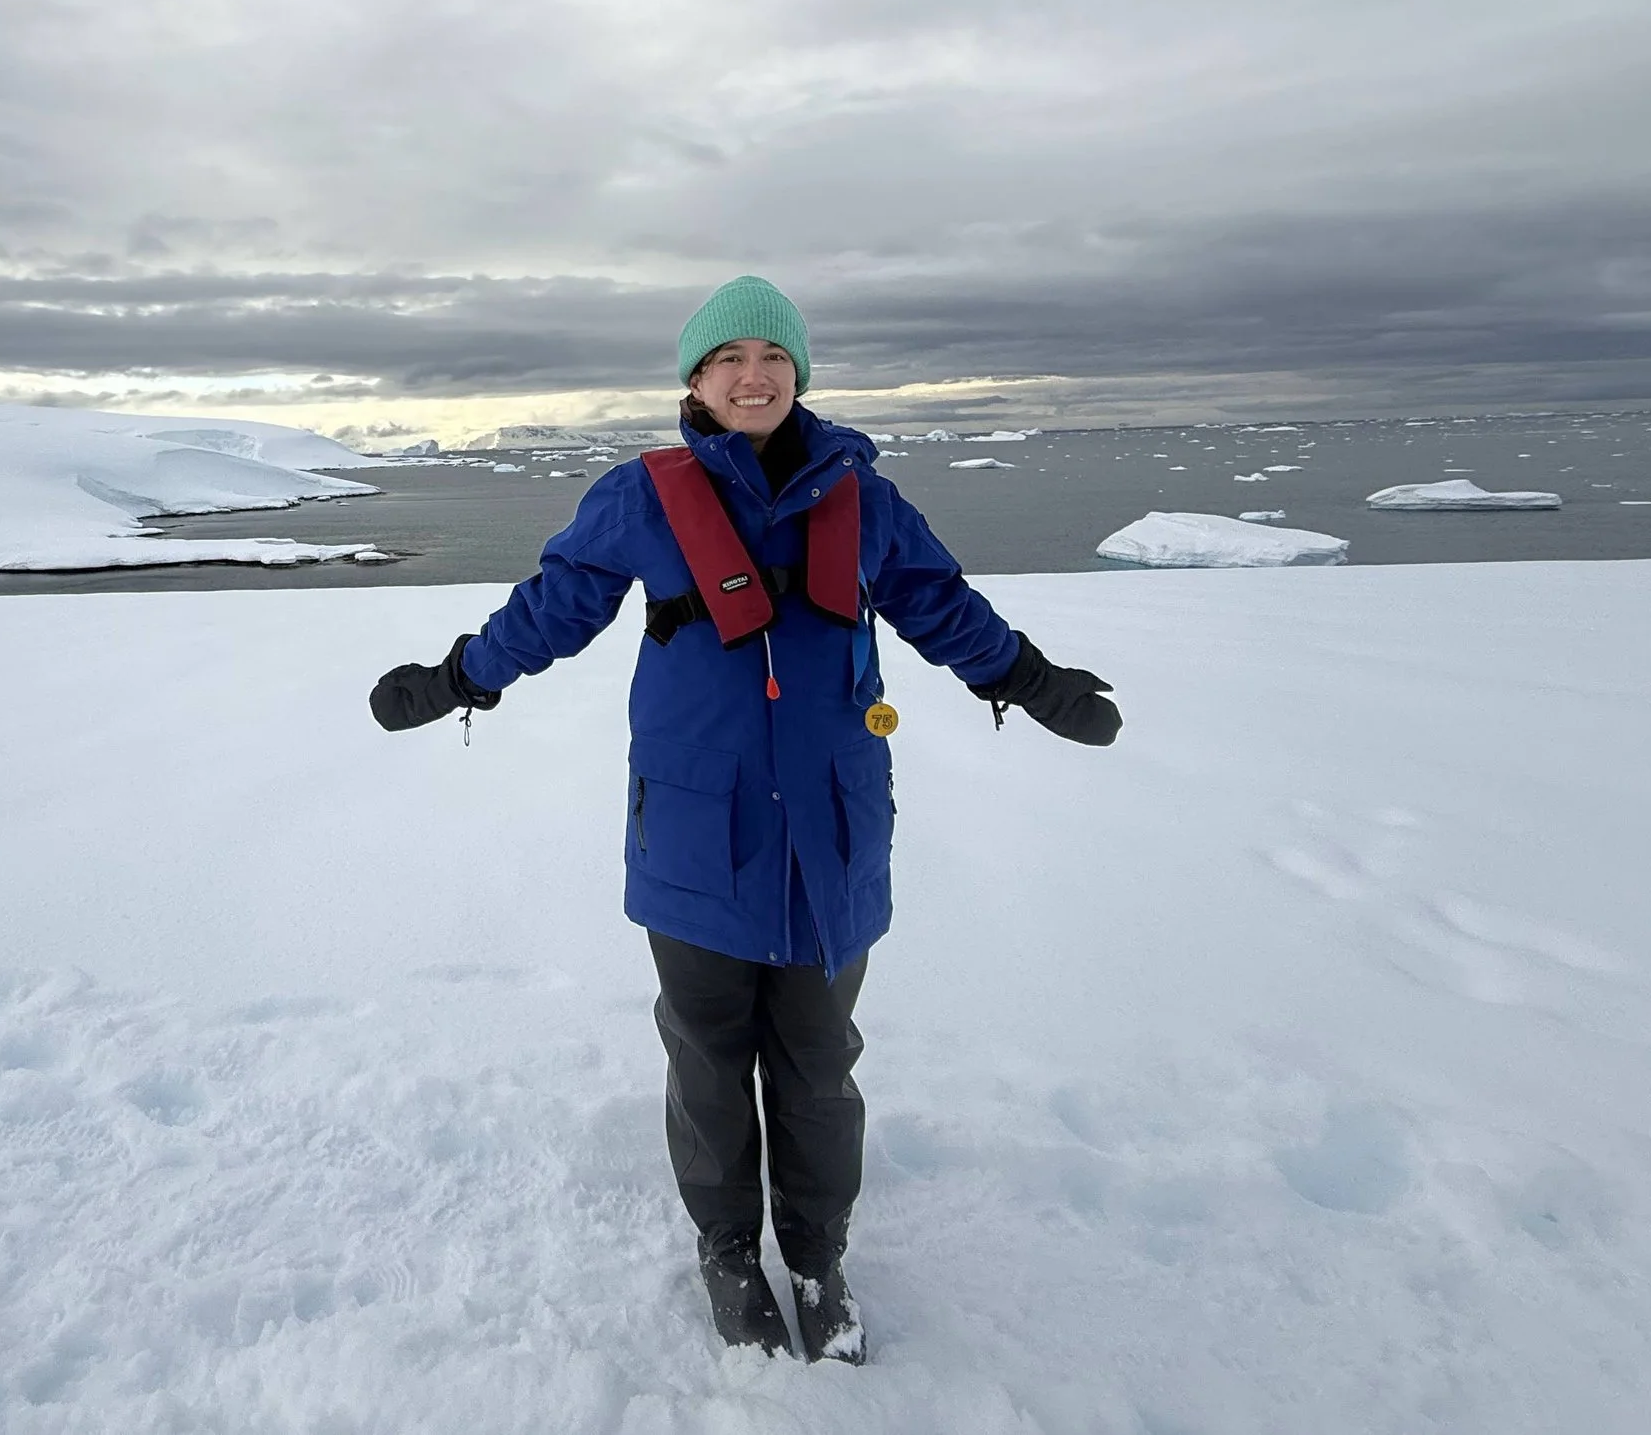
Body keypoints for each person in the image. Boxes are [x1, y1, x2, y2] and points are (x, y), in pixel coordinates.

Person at [369, 275, 1120, 1363]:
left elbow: (940, 605)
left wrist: (1031, 681)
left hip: (831, 829)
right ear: (696, 381)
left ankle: (818, 1258)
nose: (752, 375)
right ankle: (727, 1252)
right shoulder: (639, 496)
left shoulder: (863, 498)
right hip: (693, 831)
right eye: (729, 360)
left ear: (798, 376)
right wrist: (459, 679)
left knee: (817, 1064)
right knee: (709, 1061)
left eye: (772, 358)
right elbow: (554, 609)